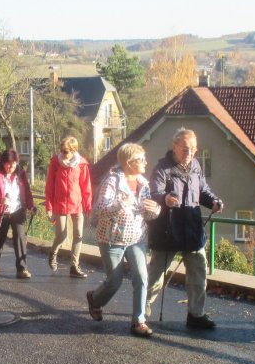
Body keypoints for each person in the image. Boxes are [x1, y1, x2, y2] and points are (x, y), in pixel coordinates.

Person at [145, 128, 223, 329]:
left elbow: (202, 190)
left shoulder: (196, 166)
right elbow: (153, 192)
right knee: (156, 276)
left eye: (193, 149)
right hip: (167, 229)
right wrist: (164, 199)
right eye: (185, 148)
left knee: (198, 274)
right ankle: (141, 312)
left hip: (192, 228)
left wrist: (213, 201)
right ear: (175, 146)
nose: (189, 152)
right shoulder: (162, 168)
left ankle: (196, 315)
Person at [86, 143, 161, 337]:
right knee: (114, 281)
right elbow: (102, 208)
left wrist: (155, 210)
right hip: (111, 239)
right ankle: (95, 300)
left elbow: (146, 213)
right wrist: (120, 203)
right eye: (141, 159)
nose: (146, 162)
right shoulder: (112, 181)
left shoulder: (143, 183)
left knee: (142, 277)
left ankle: (139, 321)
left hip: (137, 237)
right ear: (129, 162)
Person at [0, 149, 36, 278]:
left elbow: (27, 191)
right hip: (2, 210)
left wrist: (31, 206)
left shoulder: (21, 173)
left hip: (17, 209)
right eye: (8, 164)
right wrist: (0, 200)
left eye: (13, 164)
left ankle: (22, 268)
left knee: (19, 237)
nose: (10, 167)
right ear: (3, 163)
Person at [45, 136, 92, 278]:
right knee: (61, 235)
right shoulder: (55, 162)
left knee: (78, 235)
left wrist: (88, 205)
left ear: (73, 150)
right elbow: (49, 185)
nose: (63, 153)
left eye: (66, 151)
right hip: (59, 204)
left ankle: (74, 266)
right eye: (62, 151)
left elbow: (86, 186)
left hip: (77, 204)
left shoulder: (82, 164)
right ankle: (53, 254)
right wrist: (49, 206)